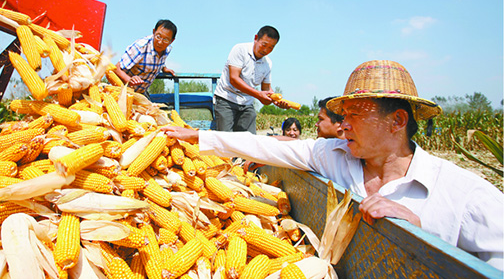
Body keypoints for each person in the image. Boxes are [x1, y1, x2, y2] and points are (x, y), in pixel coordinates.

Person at [162, 60, 504, 270]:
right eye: (344, 116)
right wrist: (199, 137)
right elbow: (263, 146)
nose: (345, 125)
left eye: (356, 116)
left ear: (397, 121)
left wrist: (423, 238)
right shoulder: (334, 156)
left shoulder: (466, 195)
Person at [213, 25, 288, 134]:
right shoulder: (240, 49)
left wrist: (276, 100)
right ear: (256, 38)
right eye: (264, 45)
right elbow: (234, 79)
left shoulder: (268, 64)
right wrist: (258, 94)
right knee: (226, 140)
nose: (266, 50)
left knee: (249, 141)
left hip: (247, 103)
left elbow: (266, 90)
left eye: (271, 48)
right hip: (227, 99)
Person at [113, 19, 177, 98]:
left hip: (140, 93)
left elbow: (158, 59)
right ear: (153, 32)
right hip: (123, 91)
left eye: (166, 39)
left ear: (172, 41)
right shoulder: (140, 47)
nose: (160, 42)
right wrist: (129, 80)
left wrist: (164, 68)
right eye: (158, 36)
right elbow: (116, 68)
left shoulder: (167, 49)